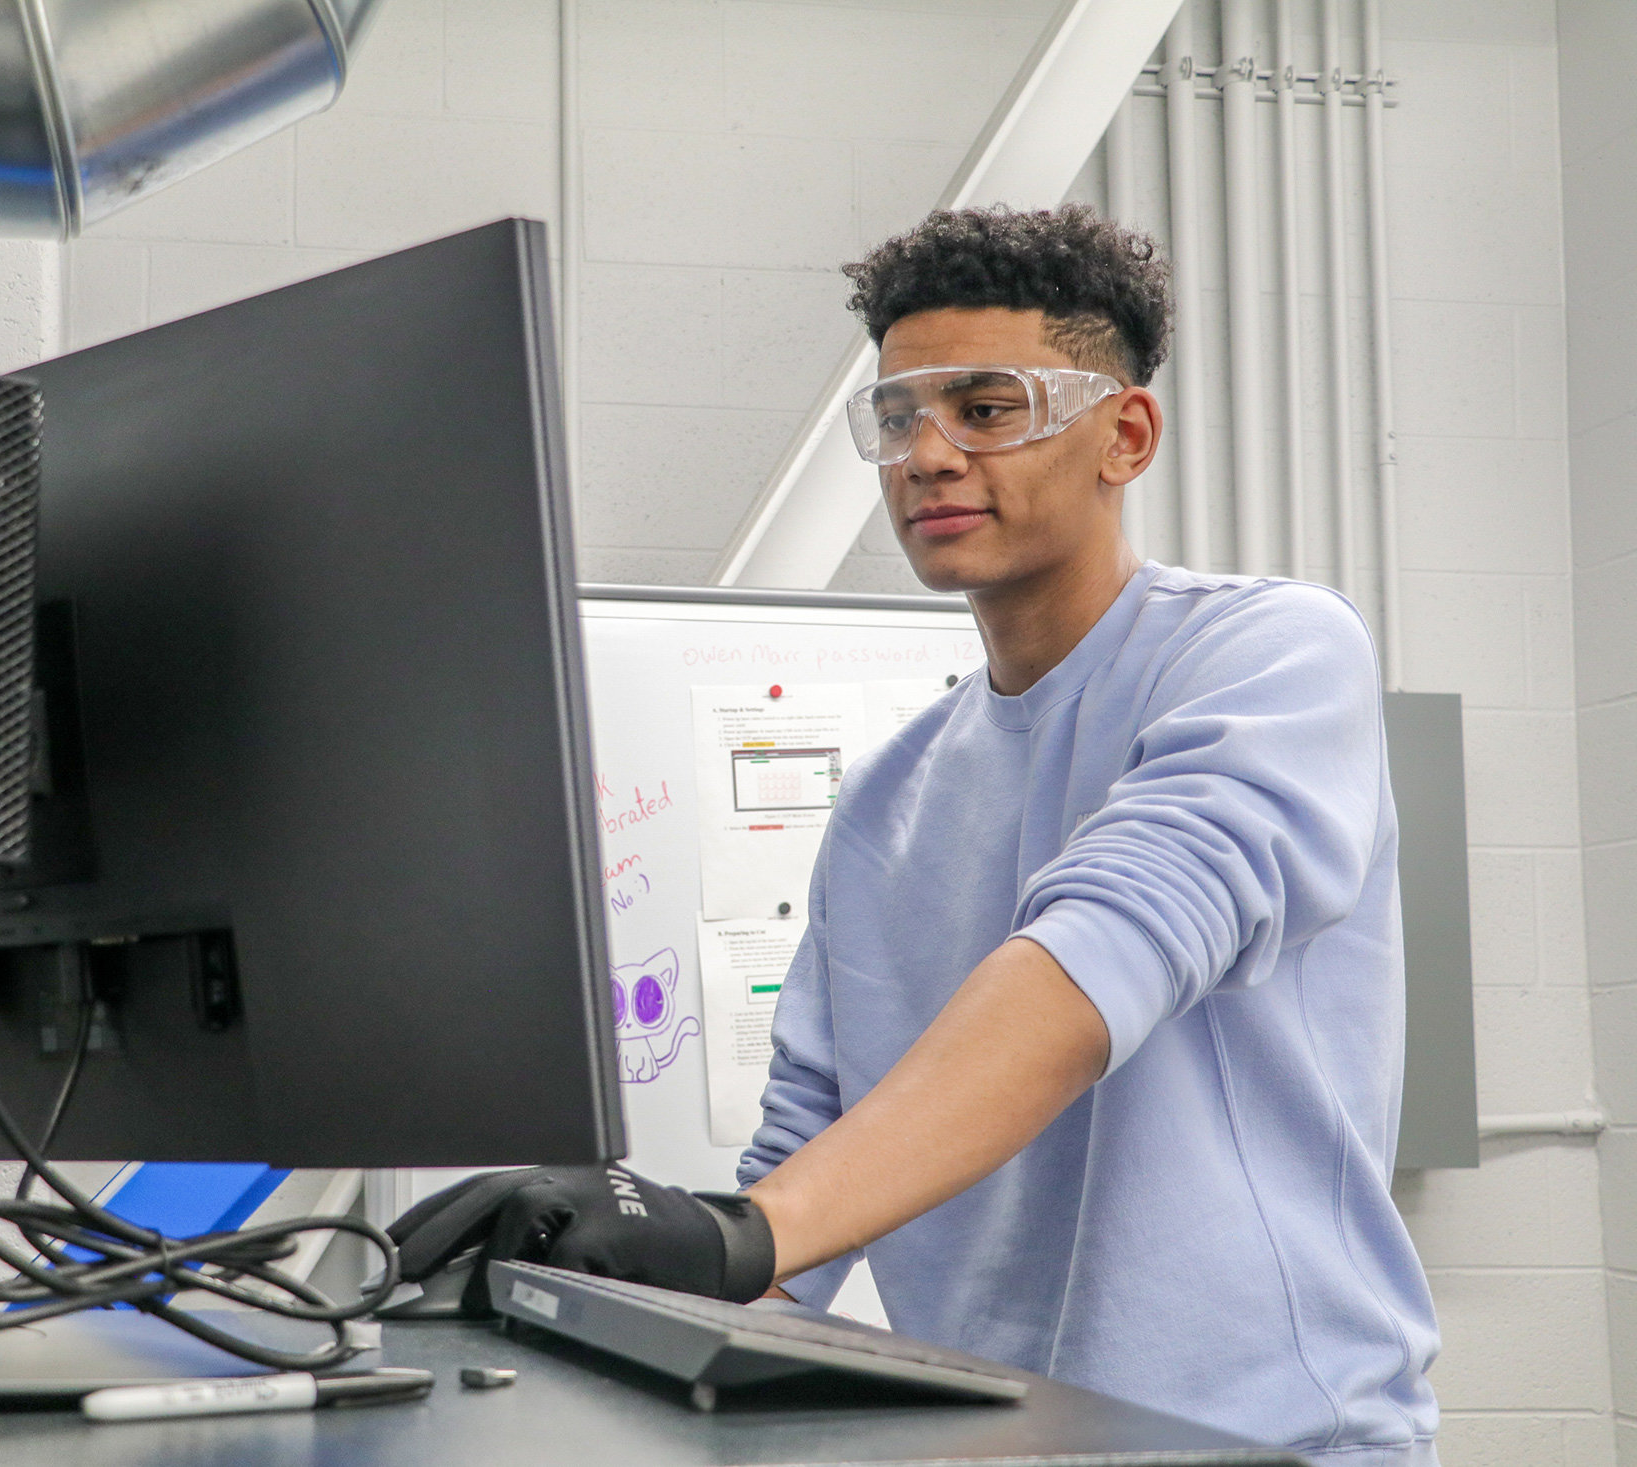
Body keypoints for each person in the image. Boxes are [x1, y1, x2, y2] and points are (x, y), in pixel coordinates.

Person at [389, 205, 1438, 1466]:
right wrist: (568, 1292)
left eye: (986, 409)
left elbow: (1114, 941)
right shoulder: (886, 799)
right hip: (1002, 1442)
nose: (926, 456)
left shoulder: (1264, 654)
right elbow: (804, 1174)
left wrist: (741, 1230)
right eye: (897, 418)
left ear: (1125, 435)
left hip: (1273, 1442)